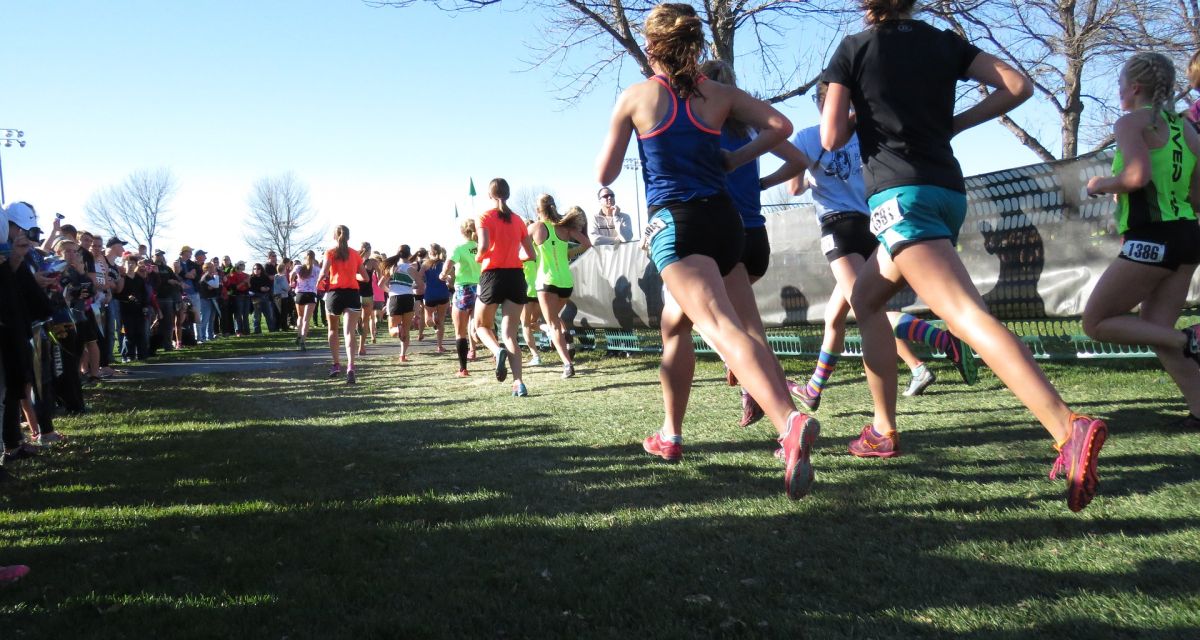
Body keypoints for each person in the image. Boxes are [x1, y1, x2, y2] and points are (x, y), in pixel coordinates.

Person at [821, 0, 1106, 511]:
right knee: (865, 300)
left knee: (964, 315)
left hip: (899, 196)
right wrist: (953, 124)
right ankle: (882, 430)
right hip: (946, 191)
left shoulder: (853, 49)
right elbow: (1018, 86)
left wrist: (857, 106)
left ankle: (1068, 427)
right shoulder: (943, 42)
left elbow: (831, 136)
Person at [596, 2, 817, 499]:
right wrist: (735, 159)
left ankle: (789, 423)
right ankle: (670, 434)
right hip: (726, 224)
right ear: (693, 43)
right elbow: (781, 127)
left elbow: (605, 174)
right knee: (683, 326)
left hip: (679, 225)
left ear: (651, 46)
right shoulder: (719, 94)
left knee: (721, 329)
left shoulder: (636, 96)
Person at [786, 81, 979, 414]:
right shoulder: (866, 133)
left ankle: (944, 341)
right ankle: (815, 389)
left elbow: (792, 188)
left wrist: (810, 176)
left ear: (821, 103)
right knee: (835, 316)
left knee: (868, 309)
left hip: (838, 229)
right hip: (873, 224)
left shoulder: (808, 137)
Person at [1083, 52, 1200, 427]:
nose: (1119, 91)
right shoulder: (1187, 129)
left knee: (1096, 322)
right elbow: (1197, 197)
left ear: (1134, 87)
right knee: (1157, 330)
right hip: (1188, 237)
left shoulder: (1132, 122)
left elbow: (1136, 177)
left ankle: (1189, 340)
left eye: (1119, 84)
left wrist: (1101, 184)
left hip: (1152, 239)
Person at [474, 178, 536, 397]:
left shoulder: (484, 217)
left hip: (493, 275)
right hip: (516, 277)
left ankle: (496, 350)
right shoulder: (518, 220)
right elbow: (530, 254)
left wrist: (479, 257)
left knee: (481, 325)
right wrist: (514, 257)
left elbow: (483, 246)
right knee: (510, 333)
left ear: (489, 195)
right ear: (508, 195)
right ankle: (519, 383)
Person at [530, 194, 592, 378]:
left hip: (546, 282)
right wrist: (570, 253)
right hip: (566, 283)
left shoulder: (535, 227)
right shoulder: (564, 227)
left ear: (537, 210)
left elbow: (518, 247)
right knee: (553, 320)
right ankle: (565, 335)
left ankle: (567, 364)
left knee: (550, 324)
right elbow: (587, 244)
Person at [317, 226, 370, 383]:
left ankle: (336, 365)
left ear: (335, 237)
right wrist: (352, 276)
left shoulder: (330, 253)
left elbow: (324, 272)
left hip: (335, 294)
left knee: (333, 330)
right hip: (352, 294)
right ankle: (351, 366)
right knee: (349, 332)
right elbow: (366, 278)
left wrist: (318, 283)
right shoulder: (355, 254)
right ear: (348, 237)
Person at [443, 219, 482, 377]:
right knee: (481, 324)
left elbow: (448, 264)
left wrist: (443, 275)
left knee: (460, 332)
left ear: (462, 232)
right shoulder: (482, 246)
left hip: (464, 289)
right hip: (482, 288)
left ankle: (463, 369)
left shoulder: (459, 248)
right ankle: (493, 350)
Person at [383, 245, 418, 363]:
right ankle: (402, 355)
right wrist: (412, 286)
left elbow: (380, 284)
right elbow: (421, 285)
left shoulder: (392, 267)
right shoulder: (411, 268)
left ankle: (398, 330)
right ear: (409, 254)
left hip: (394, 299)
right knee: (406, 330)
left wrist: (390, 291)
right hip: (408, 298)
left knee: (392, 330)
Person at [420, 243, 451, 353]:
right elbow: (450, 278)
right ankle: (440, 346)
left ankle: (433, 320)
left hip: (430, 294)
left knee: (428, 321)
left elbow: (419, 277)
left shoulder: (425, 264)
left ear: (429, 253)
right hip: (443, 293)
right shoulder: (444, 264)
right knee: (441, 322)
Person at [519, 231, 544, 367]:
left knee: (526, 325)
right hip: (541, 289)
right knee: (533, 324)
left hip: (526, 290)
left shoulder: (521, 251)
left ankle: (536, 356)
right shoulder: (541, 249)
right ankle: (549, 329)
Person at [291, 251, 320, 351]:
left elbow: (292, 274)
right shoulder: (316, 269)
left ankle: (299, 335)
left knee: (300, 316)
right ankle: (303, 340)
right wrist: (317, 283)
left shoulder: (298, 267)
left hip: (300, 294)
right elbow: (324, 276)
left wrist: (291, 282)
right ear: (314, 258)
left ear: (304, 258)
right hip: (311, 294)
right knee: (306, 319)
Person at [198, 261, 222, 344]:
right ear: (206, 269)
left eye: (213, 267)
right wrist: (216, 276)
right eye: (211, 267)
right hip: (205, 300)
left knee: (211, 319)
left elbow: (217, 286)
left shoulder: (210, 277)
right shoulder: (206, 276)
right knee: (205, 319)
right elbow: (216, 285)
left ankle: (210, 336)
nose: (213, 268)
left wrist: (214, 285)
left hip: (212, 299)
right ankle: (202, 337)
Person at [248, 263, 275, 333]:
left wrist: (267, 288)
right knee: (257, 316)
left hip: (265, 297)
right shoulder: (251, 278)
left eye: (258, 269)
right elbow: (250, 288)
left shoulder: (265, 277)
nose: (256, 270)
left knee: (269, 315)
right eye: (254, 269)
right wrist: (260, 288)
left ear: (261, 269)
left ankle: (272, 330)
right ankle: (257, 331)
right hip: (256, 298)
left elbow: (270, 285)